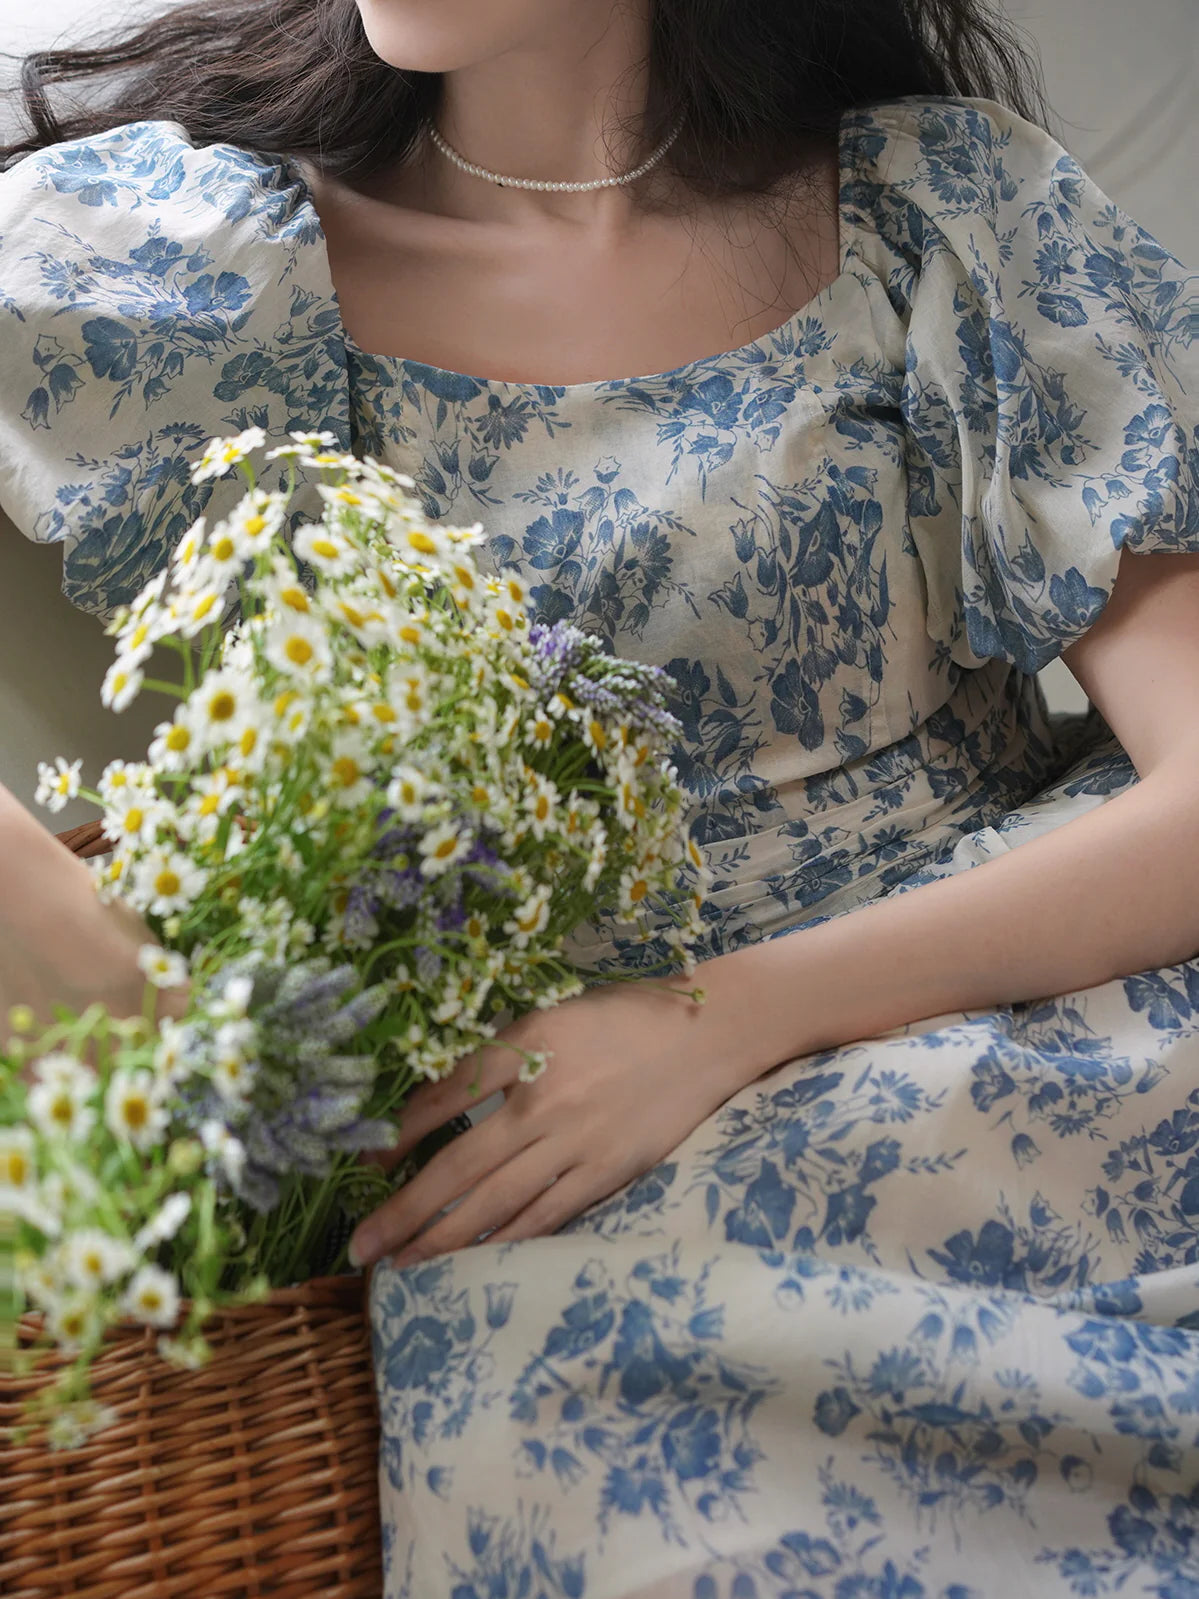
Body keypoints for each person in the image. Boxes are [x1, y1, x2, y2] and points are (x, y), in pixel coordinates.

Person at [2, 1, 1198, 1593]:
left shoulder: (941, 209)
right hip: (582, 1184)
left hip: (1062, 1019)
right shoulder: (191, 266)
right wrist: (58, 923)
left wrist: (729, 1014)